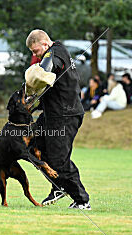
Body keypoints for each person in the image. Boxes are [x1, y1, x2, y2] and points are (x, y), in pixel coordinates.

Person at [25, 29, 90, 210]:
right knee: (32, 146)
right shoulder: (53, 53)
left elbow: (47, 69)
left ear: (44, 44)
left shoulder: (55, 53)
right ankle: (59, 185)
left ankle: (82, 200)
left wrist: (34, 77)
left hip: (66, 115)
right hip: (52, 115)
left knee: (59, 159)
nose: (34, 54)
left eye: (35, 50)